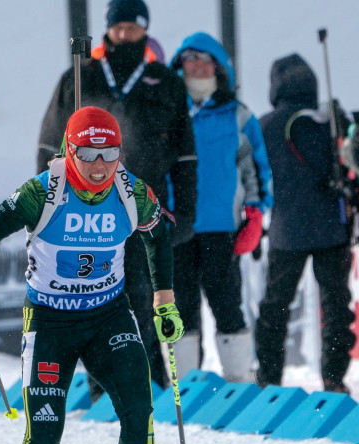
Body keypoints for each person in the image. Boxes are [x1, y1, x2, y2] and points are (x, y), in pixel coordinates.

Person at [0, 106, 182, 444]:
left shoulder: (132, 192)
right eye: (88, 154)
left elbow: (158, 237)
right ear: (69, 151)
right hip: (49, 322)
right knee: (45, 432)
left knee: (139, 409)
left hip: (109, 316)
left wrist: (164, 302)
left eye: (110, 153)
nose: (100, 166)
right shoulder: (43, 192)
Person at [36, 0, 196, 389]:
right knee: (93, 295)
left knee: (143, 298)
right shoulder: (79, 76)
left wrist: (186, 211)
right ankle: (98, 387)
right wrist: (46, 204)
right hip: (88, 208)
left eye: (133, 28)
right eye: (118, 27)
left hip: (143, 206)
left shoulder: (166, 82)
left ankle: (143, 380)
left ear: (146, 30)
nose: (125, 34)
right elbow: (48, 146)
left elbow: (186, 156)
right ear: (107, 29)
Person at [167, 32, 272, 382]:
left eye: (203, 59)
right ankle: (184, 388)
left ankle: (239, 383)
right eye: (188, 58)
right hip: (176, 225)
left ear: (218, 67)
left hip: (220, 228)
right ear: (179, 65)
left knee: (227, 305)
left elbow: (255, 167)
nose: (195, 65)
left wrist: (256, 212)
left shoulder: (238, 116)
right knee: (181, 309)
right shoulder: (169, 109)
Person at [254, 54, 355, 393]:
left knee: (275, 306)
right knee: (335, 304)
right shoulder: (331, 121)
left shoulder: (265, 125)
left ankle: (269, 379)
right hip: (332, 227)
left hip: (286, 230)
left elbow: (254, 171)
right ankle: (333, 378)